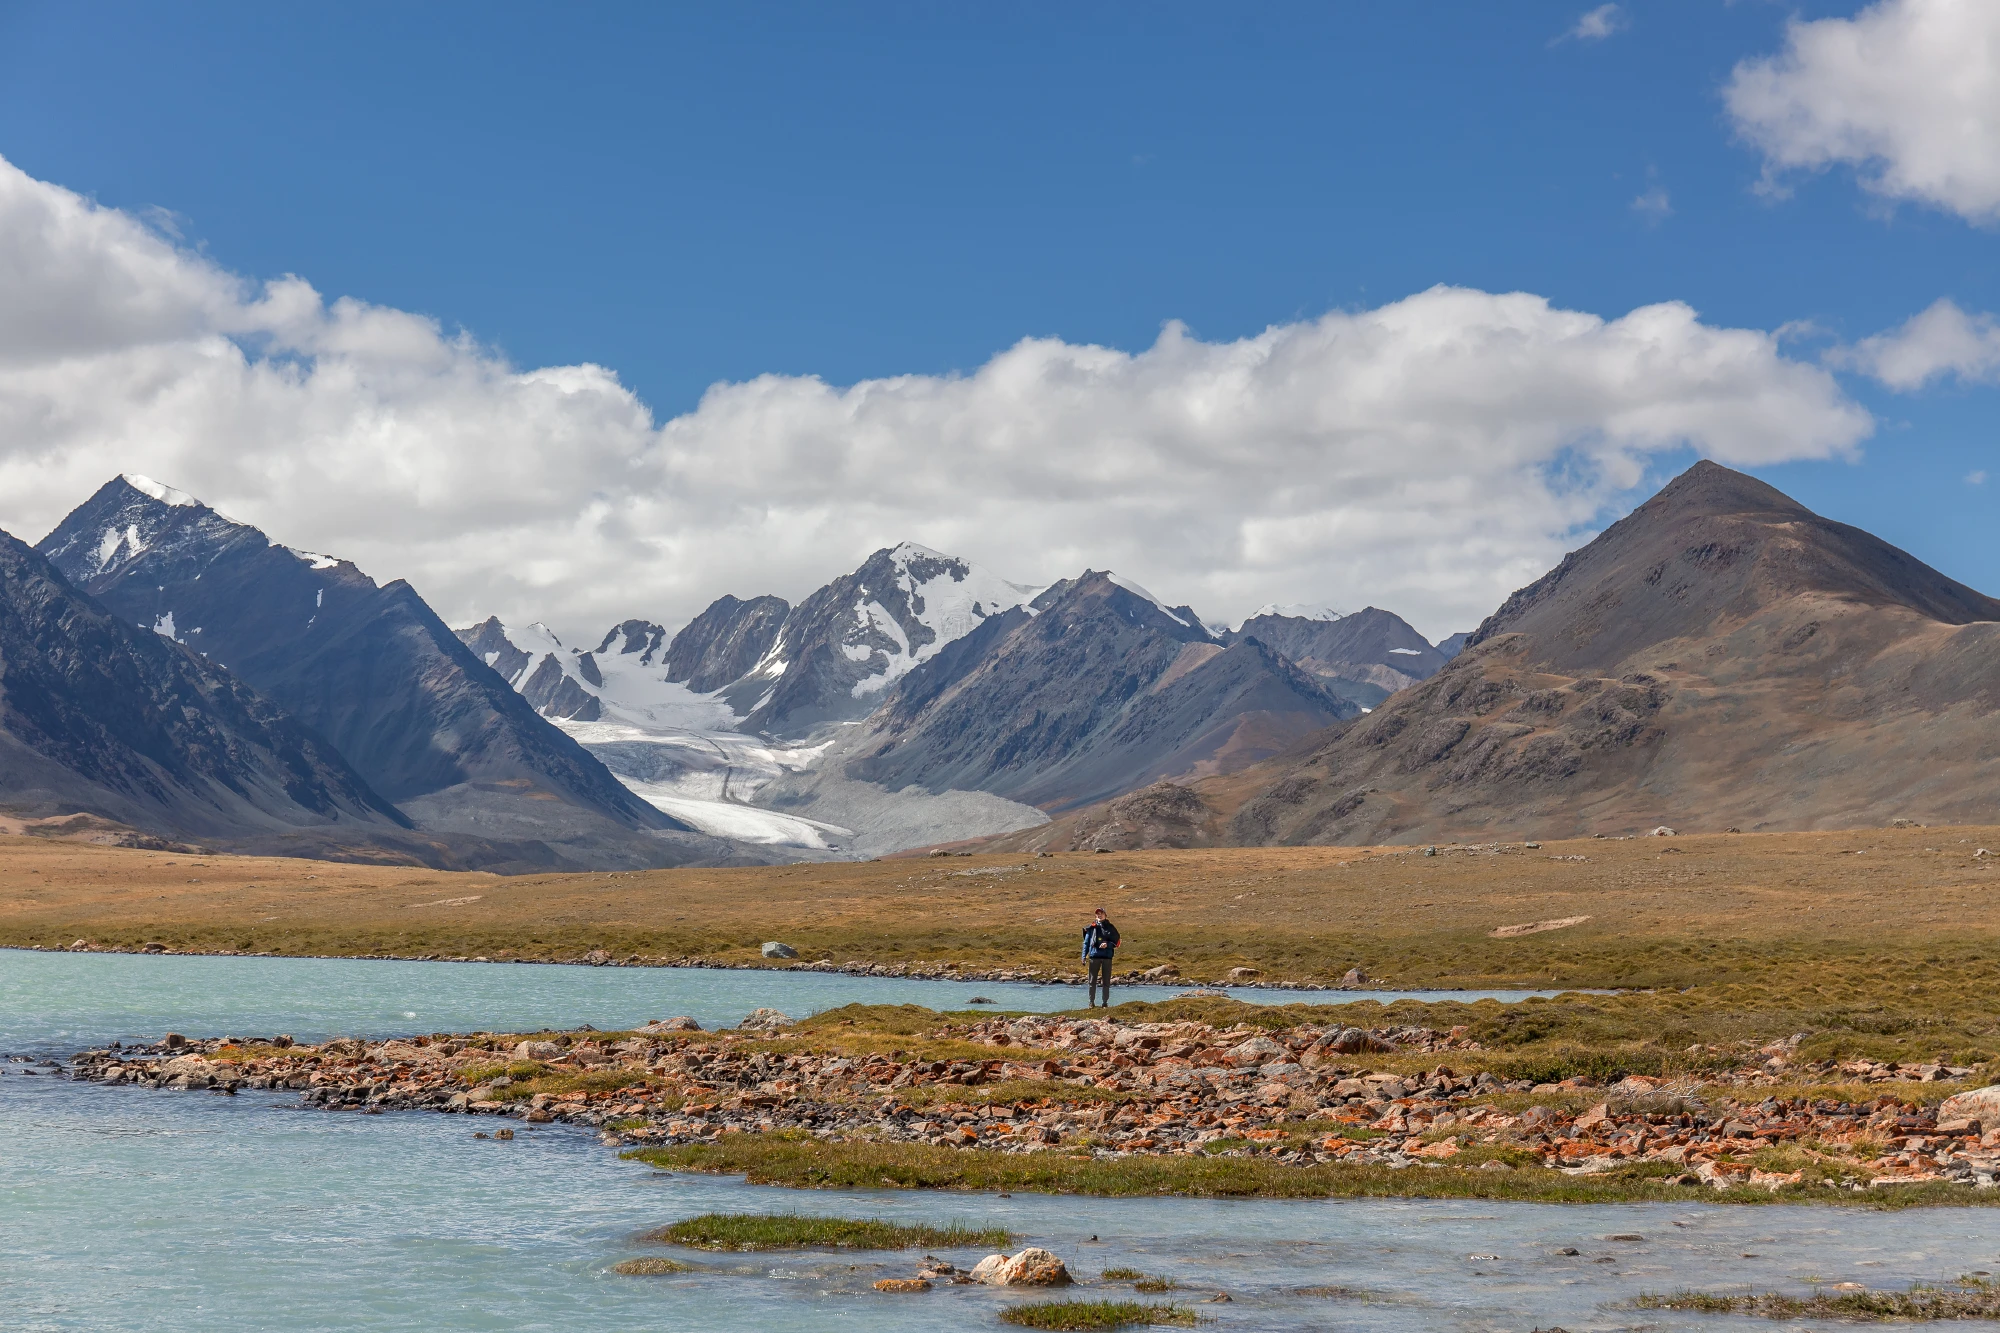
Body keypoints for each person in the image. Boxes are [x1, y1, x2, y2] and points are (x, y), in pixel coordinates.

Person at [1081, 907, 1120, 1008]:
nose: (1099, 915)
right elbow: (1086, 943)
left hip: (1107, 957)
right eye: (1097, 913)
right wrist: (1083, 956)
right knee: (1092, 981)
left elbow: (1117, 942)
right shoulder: (1091, 928)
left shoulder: (1111, 928)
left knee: (1106, 981)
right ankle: (1091, 1002)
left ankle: (1105, 1003)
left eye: (1101, 913)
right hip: (1094, 957)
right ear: (1095, 916)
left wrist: (1108, 944)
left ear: (1105, 915)